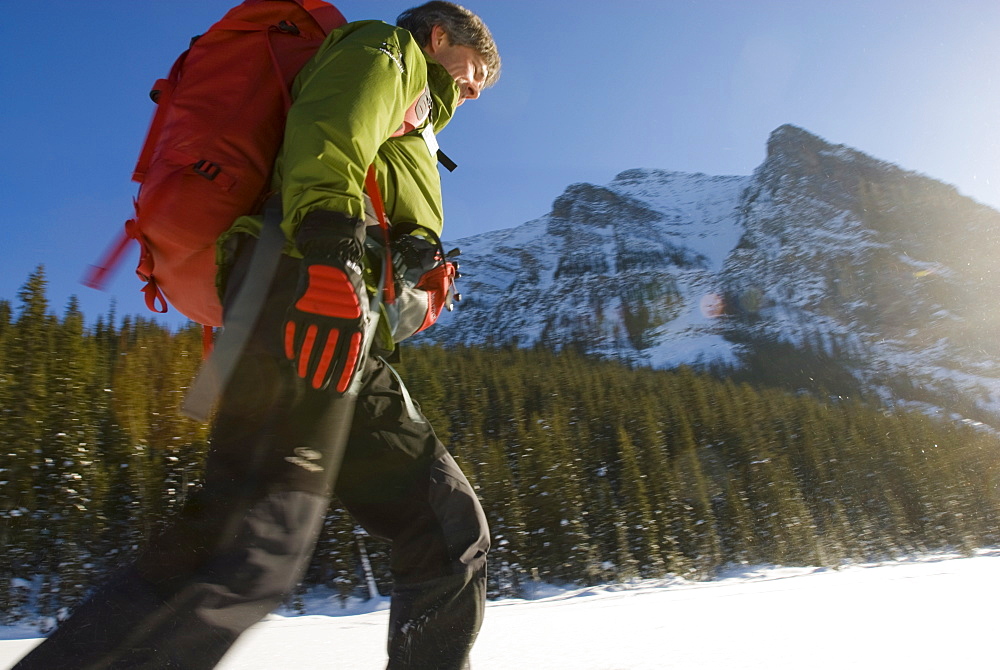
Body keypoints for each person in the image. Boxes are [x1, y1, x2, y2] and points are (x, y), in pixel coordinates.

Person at [14, 3, 500, 669]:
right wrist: (329, 259)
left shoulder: (419, 121)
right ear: (439, 35)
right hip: (309, 288)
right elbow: (328, 128)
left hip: (349, 328)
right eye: (474, 74)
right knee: (253, 543)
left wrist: (407, 290)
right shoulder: (390, 51)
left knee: (446, 526)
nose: (473, 93)